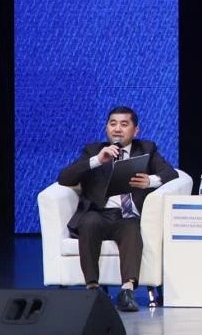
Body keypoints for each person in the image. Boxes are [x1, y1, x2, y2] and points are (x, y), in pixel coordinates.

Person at [57, 106, 178, 312]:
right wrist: (97, 160)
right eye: (113, 124)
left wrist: (150, 181)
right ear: (106, 128)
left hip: (127, 216)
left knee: (132, 229)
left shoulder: (146, 149)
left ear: (135, 130)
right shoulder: (93, 150)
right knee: (89, 223)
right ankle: (92, 289)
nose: (117, 129)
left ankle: (127, 291)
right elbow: (64, 178)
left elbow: (170, 173)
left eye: (124, 124)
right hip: (98, 213)